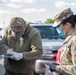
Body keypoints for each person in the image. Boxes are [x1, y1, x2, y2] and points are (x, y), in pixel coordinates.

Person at [49, 8, 76, 75]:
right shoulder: (70, 39)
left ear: (67, 25)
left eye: (59, 26)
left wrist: (57, 68)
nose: (59, 29)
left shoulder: (74, 41)